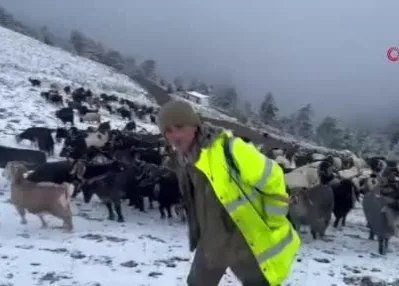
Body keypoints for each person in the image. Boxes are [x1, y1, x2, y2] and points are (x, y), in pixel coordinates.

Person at [157, 100, 300, 286]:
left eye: (179, 127)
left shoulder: (229, 149)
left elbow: (273, 176)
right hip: (211, 242)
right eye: (168, 131)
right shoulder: (184, 160)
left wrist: (274, 219)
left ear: (194, 126)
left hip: (245, 243)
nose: (174, 135)